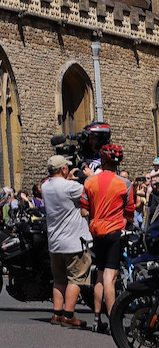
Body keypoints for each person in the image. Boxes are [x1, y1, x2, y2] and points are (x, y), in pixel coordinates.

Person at [82, 143, 134, 333]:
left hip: (96, 231)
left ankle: (97, 320)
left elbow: (83, 210)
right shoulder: (125, 184)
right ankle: (114, 322)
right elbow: (129, 213)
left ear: (102, 161)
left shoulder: (89, 182)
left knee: (99, 275)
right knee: (110, 278)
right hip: (114, 231)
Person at [42, 154, 92, 329]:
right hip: (73, 241)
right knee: (75, 279)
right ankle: (69, 315)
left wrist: (69, 179)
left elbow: (59, 188)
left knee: (59, 279)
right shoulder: (71, 187)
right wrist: (90, 177)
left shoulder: (45, 187)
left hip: (55, 242)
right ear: (63, 169)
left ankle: (57, 313)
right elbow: (90, 192)